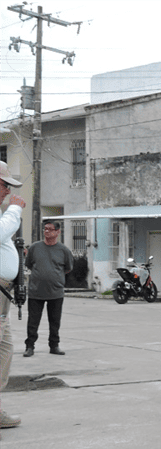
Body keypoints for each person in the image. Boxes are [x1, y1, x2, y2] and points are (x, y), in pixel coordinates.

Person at [0, 161, 26, 431]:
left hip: (3, 291)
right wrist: (16, 209)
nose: (8, 191)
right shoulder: (6, 215)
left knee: (4, 350)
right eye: (5, 185)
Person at [23, 220, 74, 357]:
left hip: (55, 292)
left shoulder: (63, 250)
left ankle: (54, 345)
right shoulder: (35, 247)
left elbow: (68, 268)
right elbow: (29, 265)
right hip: (35, 291)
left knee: (55, 322)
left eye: (50, 229)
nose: (47, 232)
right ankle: (29, 346)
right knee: (33, 321)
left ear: (58, 232)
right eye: (45, 229)